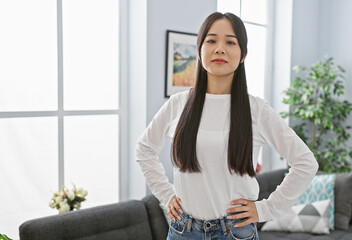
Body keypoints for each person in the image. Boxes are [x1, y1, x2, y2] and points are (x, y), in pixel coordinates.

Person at [136, 12, 318, 240]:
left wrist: (266, 209)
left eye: (230, 42)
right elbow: (144, 149)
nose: (220, 48)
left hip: (234, 233)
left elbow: (306, 163)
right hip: (183, 230)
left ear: (242, 55)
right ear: (200, 50)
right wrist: (165, 194)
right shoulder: (178, 104)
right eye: (211, 40)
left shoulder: (257, 110)